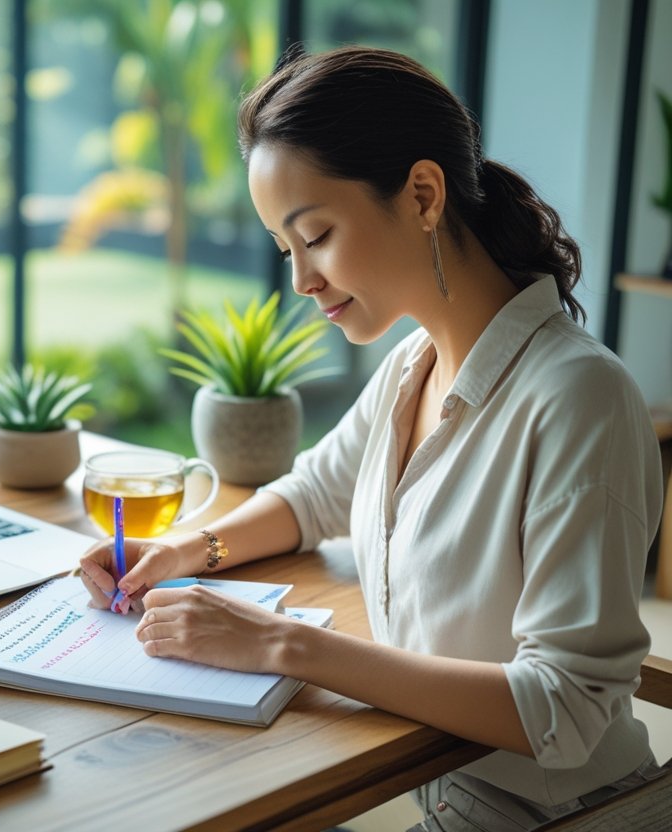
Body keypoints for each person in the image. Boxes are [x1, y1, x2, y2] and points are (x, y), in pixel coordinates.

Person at [77, 45, 665, 831]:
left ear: (423, 194)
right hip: (439, 791)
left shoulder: (577, 399)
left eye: (315, 235)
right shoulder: (411, 367)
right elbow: (315, 492)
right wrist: (185, 550)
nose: (302, 281)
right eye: (288, 251)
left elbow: (565, 709)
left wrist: (286, 646)